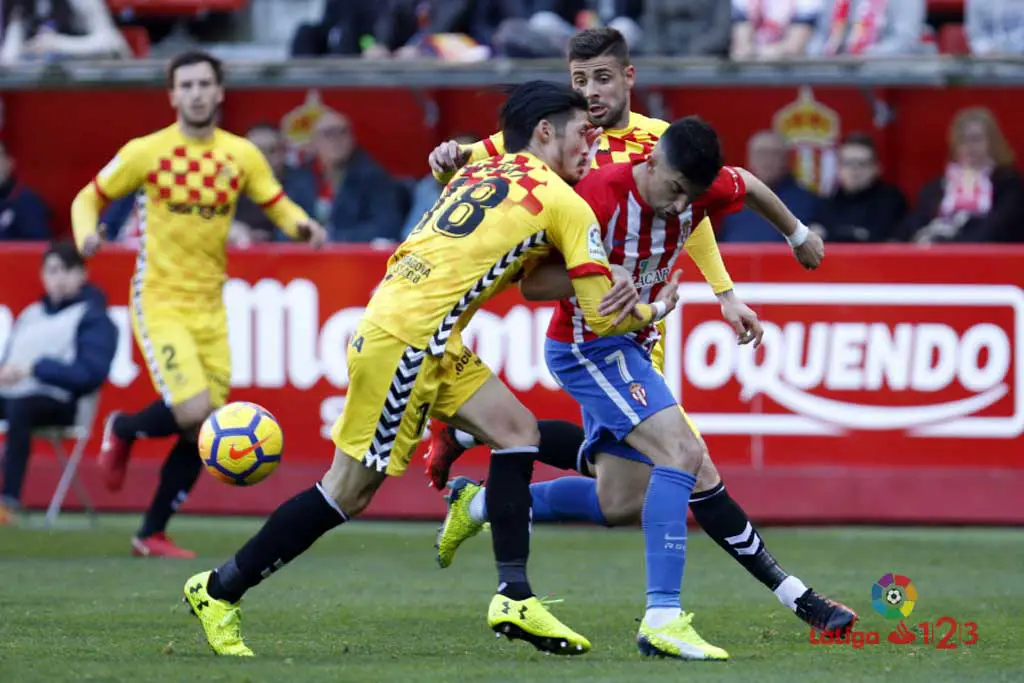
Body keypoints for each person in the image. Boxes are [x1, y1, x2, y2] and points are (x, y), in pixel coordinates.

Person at [180, 80, 679, 657]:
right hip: (408, 343)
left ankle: (515, 595)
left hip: (420, 331)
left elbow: (516, 266)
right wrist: (650, 304)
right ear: (546, 132)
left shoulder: (479, 174)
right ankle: (219, 589)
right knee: (347, 493)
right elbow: (599, 314)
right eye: (581, 132)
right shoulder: (566, 202)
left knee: (518, 432)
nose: (591, 143)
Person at [426, 26, 852, 640]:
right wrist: (456, 156)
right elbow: (500, 155)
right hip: (592, 336)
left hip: (637, 334)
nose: (590, 93)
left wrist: (743, 278)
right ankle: (760, 604)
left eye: (602, 77)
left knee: (618, 501)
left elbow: (709, 204)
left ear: (629, 77)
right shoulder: (573, 155)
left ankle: (482, 499)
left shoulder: (665, 148)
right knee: (687, 460)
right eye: (579, 81)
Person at [70, 50, 326, 558]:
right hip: (160, 299)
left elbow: (275, 202)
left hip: (211, 306)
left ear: (220, 90)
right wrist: (85, 238)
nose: (195, 93)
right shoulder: (147, 152)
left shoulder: (241, 155)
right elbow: (88, 198)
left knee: (203, 430)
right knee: (196, 409)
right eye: (185, 85)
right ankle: (123, 428)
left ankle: (151, 532)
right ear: (172, 95)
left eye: (204, 83)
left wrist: (302, 225)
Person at [0, 242, 116, 522]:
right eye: (52, 271)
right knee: (17, 404)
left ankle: (8, 500)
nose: (59, 278)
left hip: (60, 401)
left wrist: (36, 369)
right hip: (14, 393)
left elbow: (90, 373)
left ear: (81, 275)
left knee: (22, 408)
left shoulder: (93, 318)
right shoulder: (31, 314)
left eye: (67, 270)